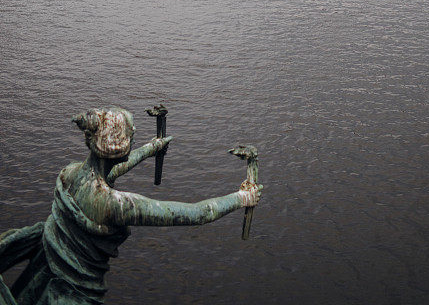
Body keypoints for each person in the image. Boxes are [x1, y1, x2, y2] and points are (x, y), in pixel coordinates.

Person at [0, 107, 261, 305]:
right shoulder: (115, 205)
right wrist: (242, 198)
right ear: (122, 146)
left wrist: (151, 148)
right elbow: (198, 213)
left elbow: (109, 171)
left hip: (41, 270)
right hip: (72, 292)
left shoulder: (68, 173)